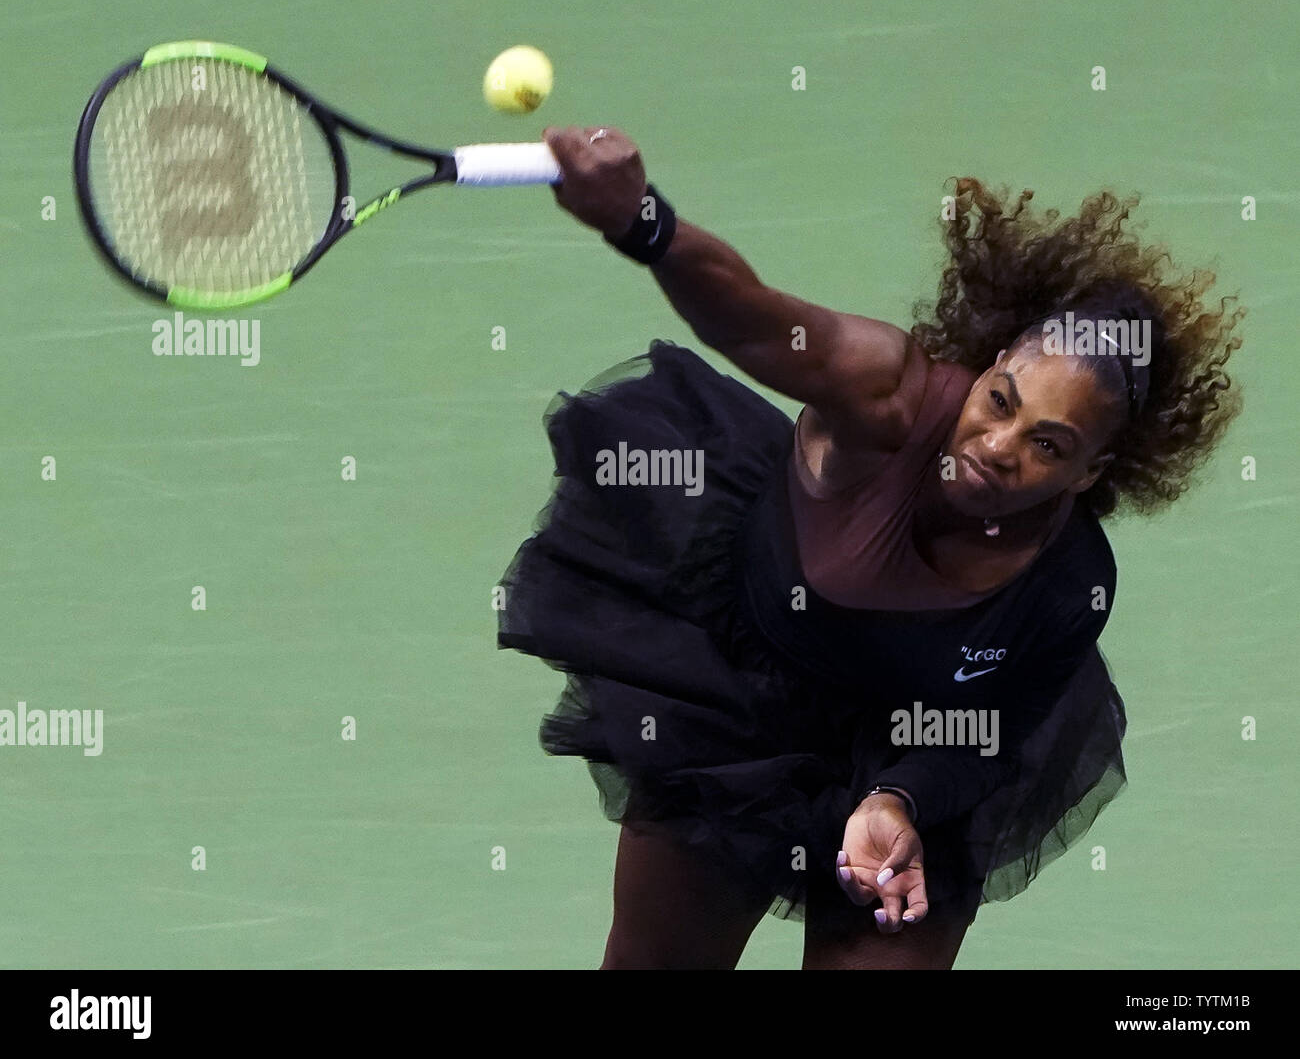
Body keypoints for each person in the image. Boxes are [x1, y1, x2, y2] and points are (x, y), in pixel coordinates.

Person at [497, 125, 1245, 969]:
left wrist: (899, 797)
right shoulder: (884, 393)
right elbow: (750, 317)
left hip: (917, 749)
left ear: (1089, 472)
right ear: (992, 363)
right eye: (1000, 400)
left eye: (1048, 444)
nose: (999, 445)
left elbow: (985, 727)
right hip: (738, 710)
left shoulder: (1068, 585)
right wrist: (643, 221)